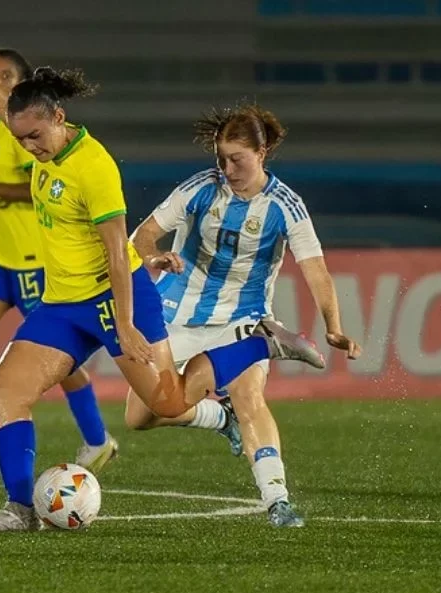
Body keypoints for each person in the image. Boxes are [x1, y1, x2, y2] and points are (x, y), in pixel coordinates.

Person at [0, 39, 329, 532]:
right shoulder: (40, 139)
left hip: (114, 297)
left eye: (36, 137)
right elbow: (13, 113)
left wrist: (124, 323)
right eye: (23, 141)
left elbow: (117, 253)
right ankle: (20, 510)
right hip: (63, 303)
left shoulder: (94, 168)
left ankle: (261, 343)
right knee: (6, 392)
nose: (30, 148)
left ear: (59, 118)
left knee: (165, 404)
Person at [125, 104, 362, 527]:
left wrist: (335, 326)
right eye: (221, 158)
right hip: (176, 313)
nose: (227, 168)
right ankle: (221, 417)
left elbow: (316, 271)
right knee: (140, 416)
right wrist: (155, 257)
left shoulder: (285, 205)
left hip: (242, 316)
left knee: (250, 397)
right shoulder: (201, 188)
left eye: (237, 159)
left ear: (263, 152)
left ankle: (278, 501)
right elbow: (142, 235)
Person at [0, 47, 117, 475]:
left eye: (7, 77)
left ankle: (97, 438)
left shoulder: (26, 133)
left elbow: (33, 189)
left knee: (55, 357)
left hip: (28, 254)